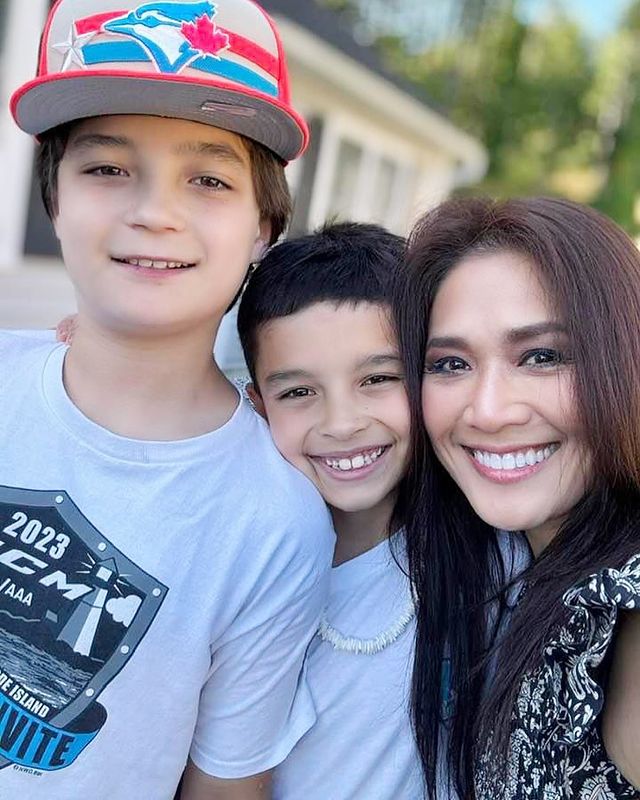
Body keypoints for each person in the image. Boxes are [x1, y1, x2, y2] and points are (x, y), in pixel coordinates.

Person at [2, 1, 334, 798]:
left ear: (264, 227)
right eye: (107, 169)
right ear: (54, 201)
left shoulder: (275, 521)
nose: (153, 212)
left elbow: (225, 784)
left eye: (209, 179)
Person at [394, 196, 640, 799]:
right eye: (451, 364)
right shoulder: (509, 570)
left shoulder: (621, 601)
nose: (489, 411)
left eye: (542, 357)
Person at [236, 222, 423, 799]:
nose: (341, 423)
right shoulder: (242, 555)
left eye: (378, 378)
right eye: (298, 392)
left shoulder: (490, 555)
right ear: (257, 405)